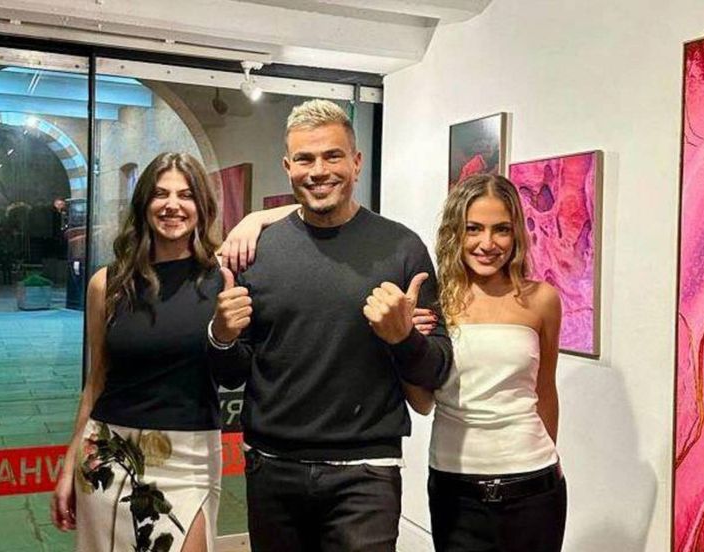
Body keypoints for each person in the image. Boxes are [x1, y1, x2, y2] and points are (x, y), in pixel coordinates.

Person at [209, 98, 452, 552]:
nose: (319, 170)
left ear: (356, 162)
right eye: (305, 159)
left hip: (366, 473)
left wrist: (403, 338)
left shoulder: (402, 249)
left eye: (333, 156)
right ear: (288, 167)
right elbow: (230, 374)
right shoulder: (257, 251)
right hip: (272, 467)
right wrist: (221, 337)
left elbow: (435, 371)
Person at [51, 152, 225, 552]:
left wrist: (255, 219)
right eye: (160, 194)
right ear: (144, 203)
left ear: (202, 206)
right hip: (107, 450)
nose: (172, 205)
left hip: (189, 457)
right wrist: (68, 464)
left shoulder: (222, 279)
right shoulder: (108, 284)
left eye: (186, 195)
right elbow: (96, 380)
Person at [408, 173, 567, 552]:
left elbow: (545, 390)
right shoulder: (435, 303)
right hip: (455, 488)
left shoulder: (542, 300)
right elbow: (422, 402)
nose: (487, 243)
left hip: (534, 485)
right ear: (455, 232)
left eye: (501, 229)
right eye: (473, 228)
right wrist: (405, 342)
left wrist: (546, 456)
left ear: (516, 234)